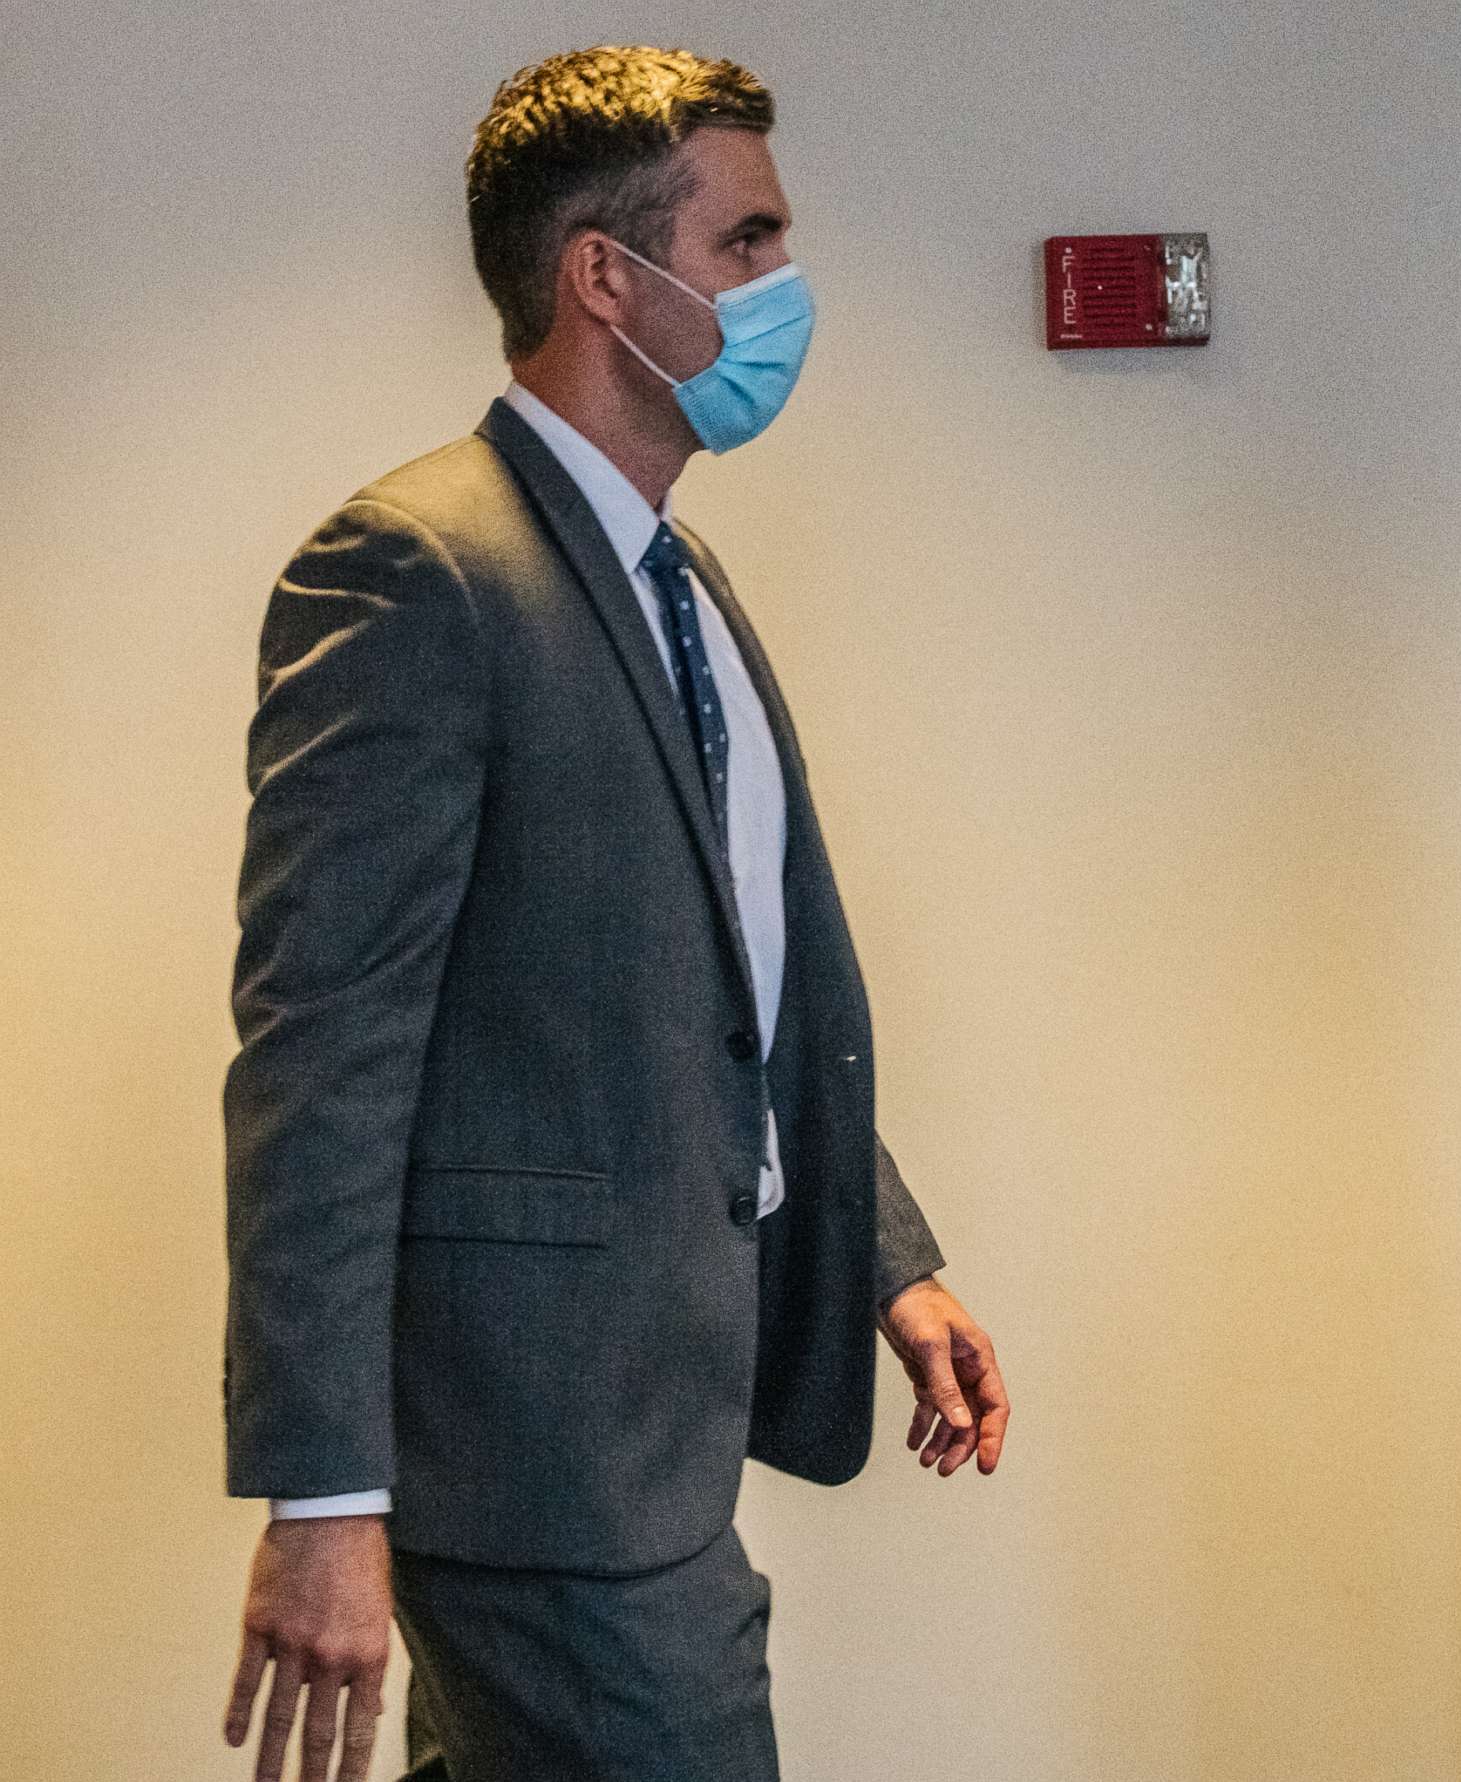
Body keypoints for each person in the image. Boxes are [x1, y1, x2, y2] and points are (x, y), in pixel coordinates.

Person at [217, 46, 1009, 1782]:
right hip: (537, 1460)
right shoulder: (415, 569)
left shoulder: (677, 575)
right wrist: (325, 1494)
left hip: (656, 1409)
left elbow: (730, 987)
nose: (781, 289)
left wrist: (889, 1258)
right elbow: (321, 1054)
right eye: (747, 242)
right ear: (604, 275)